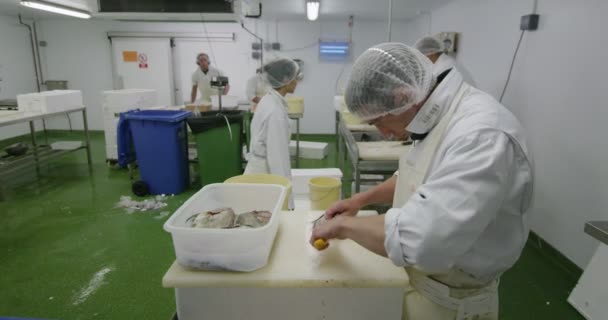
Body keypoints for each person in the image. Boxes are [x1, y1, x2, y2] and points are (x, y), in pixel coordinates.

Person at [310, 43, 534, 320]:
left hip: (453, 302)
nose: (384, 134)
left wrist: (343, 225)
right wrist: (360, 200)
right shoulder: (436, 116)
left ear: (404, 96)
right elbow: (415, 174)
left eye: (380, 121)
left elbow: (423, 238)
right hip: (418, 283)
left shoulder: (481, 135)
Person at [245, 58, 301, 209]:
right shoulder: (274, 111)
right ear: (285, 80)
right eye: (295, 77)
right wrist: (287, 200)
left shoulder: (268, 100)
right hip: (265, 174)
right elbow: (277, 158)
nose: (297, 81)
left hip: (259, 169)